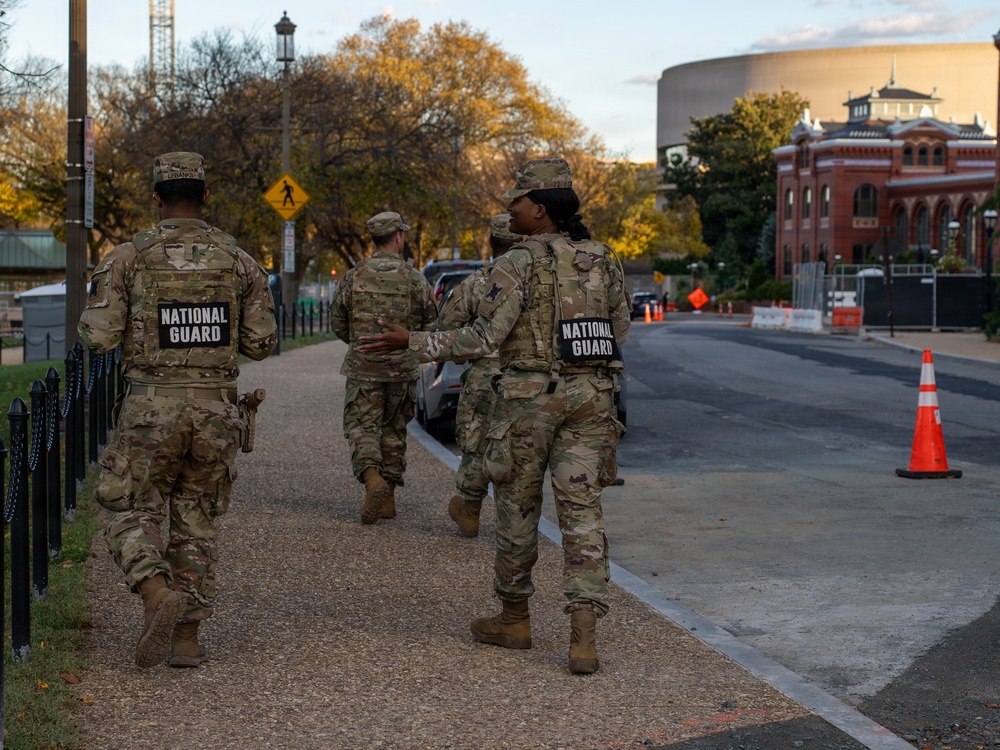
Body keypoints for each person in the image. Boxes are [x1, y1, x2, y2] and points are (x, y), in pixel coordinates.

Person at [358, 159, 630, 674]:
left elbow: (482, 339)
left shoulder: (516, 264)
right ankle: (584, 639)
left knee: (517, 509)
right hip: (592, 399)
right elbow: (619, 329)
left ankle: (514, 618)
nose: (510, 209)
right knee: (583, 512)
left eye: (518, 202)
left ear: (541, 210)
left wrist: (411, 342)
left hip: (529, 401)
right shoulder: (603, 257)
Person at [78, 151, 277, 668]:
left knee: (127, 507)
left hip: (150, 410)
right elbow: (260, 343)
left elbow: (96, 338)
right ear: (205, 196)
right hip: (215, 414)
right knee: (197, 521)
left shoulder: (128, 257)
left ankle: (154, 592)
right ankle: (186, 638)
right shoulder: (240, 261)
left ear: (157, 198)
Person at [330, 212, 438, 524]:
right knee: (394, 431)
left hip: (364, 367)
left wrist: (358, 341)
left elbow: (337, 321)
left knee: (362, 428)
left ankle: (372, 479)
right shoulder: (415, 279)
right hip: (401, 369)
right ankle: (388, 495)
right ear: (399, 237)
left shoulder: (354, 276)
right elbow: (431, 325)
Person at [442, 214, 523, 538]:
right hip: (524, 375)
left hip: (483, 377)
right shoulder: (534, 278)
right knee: (519, 448)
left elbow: (447, 326)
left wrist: (471, 351)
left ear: (491, 243)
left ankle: (471, 510)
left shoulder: (478, 282)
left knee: (476, 444)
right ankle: (515, 522)